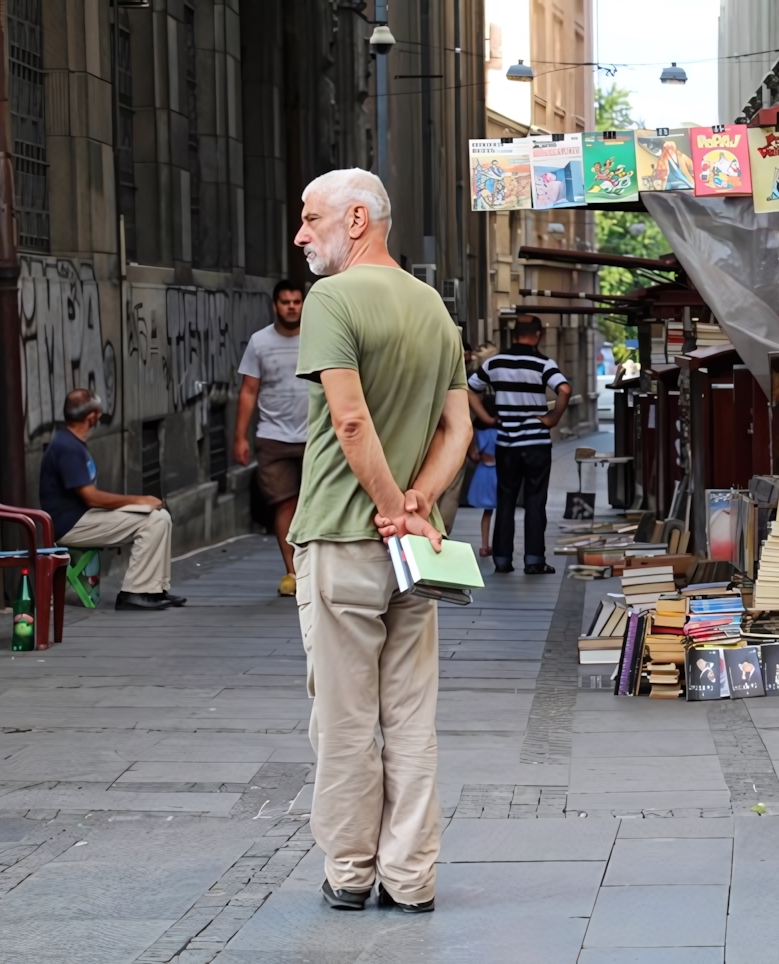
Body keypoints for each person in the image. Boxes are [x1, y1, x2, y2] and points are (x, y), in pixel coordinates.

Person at [288, 168, 471, 914]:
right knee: (411, 716)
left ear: (357, 218)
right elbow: (459, 427)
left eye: (311, 218)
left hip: (343, 536)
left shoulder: (331, 299)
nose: (301, 234)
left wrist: (391, 505)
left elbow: (351, 421)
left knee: (344, 717)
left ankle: (352, 872)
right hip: (414, 549)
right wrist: (420, 503)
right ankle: (412, 877)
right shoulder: (433, 307)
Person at [39, 389, 184, 611]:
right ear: (92, 417)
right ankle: (135, 592)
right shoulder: (67, 447)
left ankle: (154, 589)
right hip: (70, 525)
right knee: (152, 520)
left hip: (81, 518)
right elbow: (91, 498)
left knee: (161, 516)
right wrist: (140, 501)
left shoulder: (70, 442)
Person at [466, 315, 571, 575]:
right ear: (537, 336)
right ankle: (534, 560)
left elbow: (468, 388)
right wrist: (553, 418)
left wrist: (486, 418)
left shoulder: (495, 363)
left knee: (506, 499)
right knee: (535, 500)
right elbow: (565, 389)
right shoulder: (543, 363)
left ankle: (502, 559)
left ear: (514, 335)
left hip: (506, 443)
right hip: (536, 442)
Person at [235, 279, 309, 596]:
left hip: (315, 435)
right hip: (273, 436)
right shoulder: (259, 341)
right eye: (285, 302)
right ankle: (292, 572)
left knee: (318, 504)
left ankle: (316, 569)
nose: (291, 307)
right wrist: (240, 436)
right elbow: (249, 390)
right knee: (285, 504)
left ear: (303, 304)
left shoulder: (318, 337)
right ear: (274, 305)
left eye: (296, 301)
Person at [465, 396, 499, 558]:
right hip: (499, 473)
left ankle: (484, 545)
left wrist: (475, 455)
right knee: (503, 511)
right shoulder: (501, 428)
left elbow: (473, 453)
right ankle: (500, 544)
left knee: (487, 512)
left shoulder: (476, 429)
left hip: (483, 472)